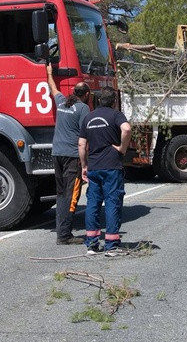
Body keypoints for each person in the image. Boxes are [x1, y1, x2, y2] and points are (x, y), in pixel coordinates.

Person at [78, 86, 132, 256]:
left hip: (94, 167)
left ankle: (92, 245)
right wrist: (122, 149)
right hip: (111, 166)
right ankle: (111, 245)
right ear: (114, 101)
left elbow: (81, 144)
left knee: (93, 204)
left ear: (99, 100)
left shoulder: (88, 118)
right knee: (112, 202)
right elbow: (127, 129)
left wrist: (84, 166)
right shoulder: (115, 115)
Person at [46, 62, 90, 245]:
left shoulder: (62, 101)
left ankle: (62, 232)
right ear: (86, 95)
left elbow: (53, 88)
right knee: (71, 195)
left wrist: (49, 73)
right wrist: (85, 163)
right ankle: (64, 236)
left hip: (57, 153)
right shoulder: (83, 109)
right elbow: (83, 139)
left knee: (61, 193)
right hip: (72, 156)